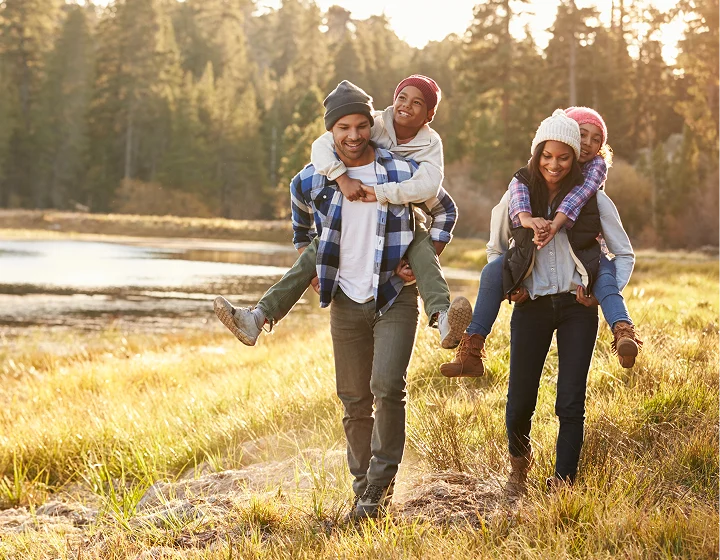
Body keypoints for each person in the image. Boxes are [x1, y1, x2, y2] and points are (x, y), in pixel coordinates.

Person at [283, 81, 458, 518]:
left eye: (362, 126)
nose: (355, 135)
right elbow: (300, 218)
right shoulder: (315, 176)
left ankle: (378, 489)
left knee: (387, 388)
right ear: (331, 132)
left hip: (394, 294)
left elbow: (445, 208)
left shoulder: (400, 171)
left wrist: (424, 256)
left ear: (370, 126)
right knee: (354, 399)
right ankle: (363, 489)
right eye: (344, 127)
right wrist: (311, 265)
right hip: (345, 297)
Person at [214, 75, 471, 350]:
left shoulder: (430, 146)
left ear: (429, 114)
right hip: (349, 222)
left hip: (405, 219)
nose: (405, 106)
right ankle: (257, 318)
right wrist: (340, 177)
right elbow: (322, 145)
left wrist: (418, 255)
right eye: (402, 98)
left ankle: (442, 318)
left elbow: (434, 189)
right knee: (318, 248)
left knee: (421, 245)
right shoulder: (372, 124)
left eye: (417, 102)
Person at [484, 110, 635, 491]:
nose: (555, 164)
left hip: (576, 308)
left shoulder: (594, 200)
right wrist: (510, 285)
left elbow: (624, 254)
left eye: (564, 156)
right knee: (520, 398)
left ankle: (564, 480)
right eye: (548, 156)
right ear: (538, 154)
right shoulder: (518, 196)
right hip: (531, 306)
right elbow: (494, 250)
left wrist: (601, 293)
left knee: (570, 400)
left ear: (573, 158)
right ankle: (519, 467)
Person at [440, 106, 642, 378]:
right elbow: (501, 235)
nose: (588, 144)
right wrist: (513, 280)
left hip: (585, 266)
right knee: (491, 272)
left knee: (605, 276)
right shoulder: (523, 182)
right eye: (582, 135)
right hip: (533, 288)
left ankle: (623, 331)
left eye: (597, 140)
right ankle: (471, 348)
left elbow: (581, 200)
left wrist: (555, 224)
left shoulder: (592, 183)